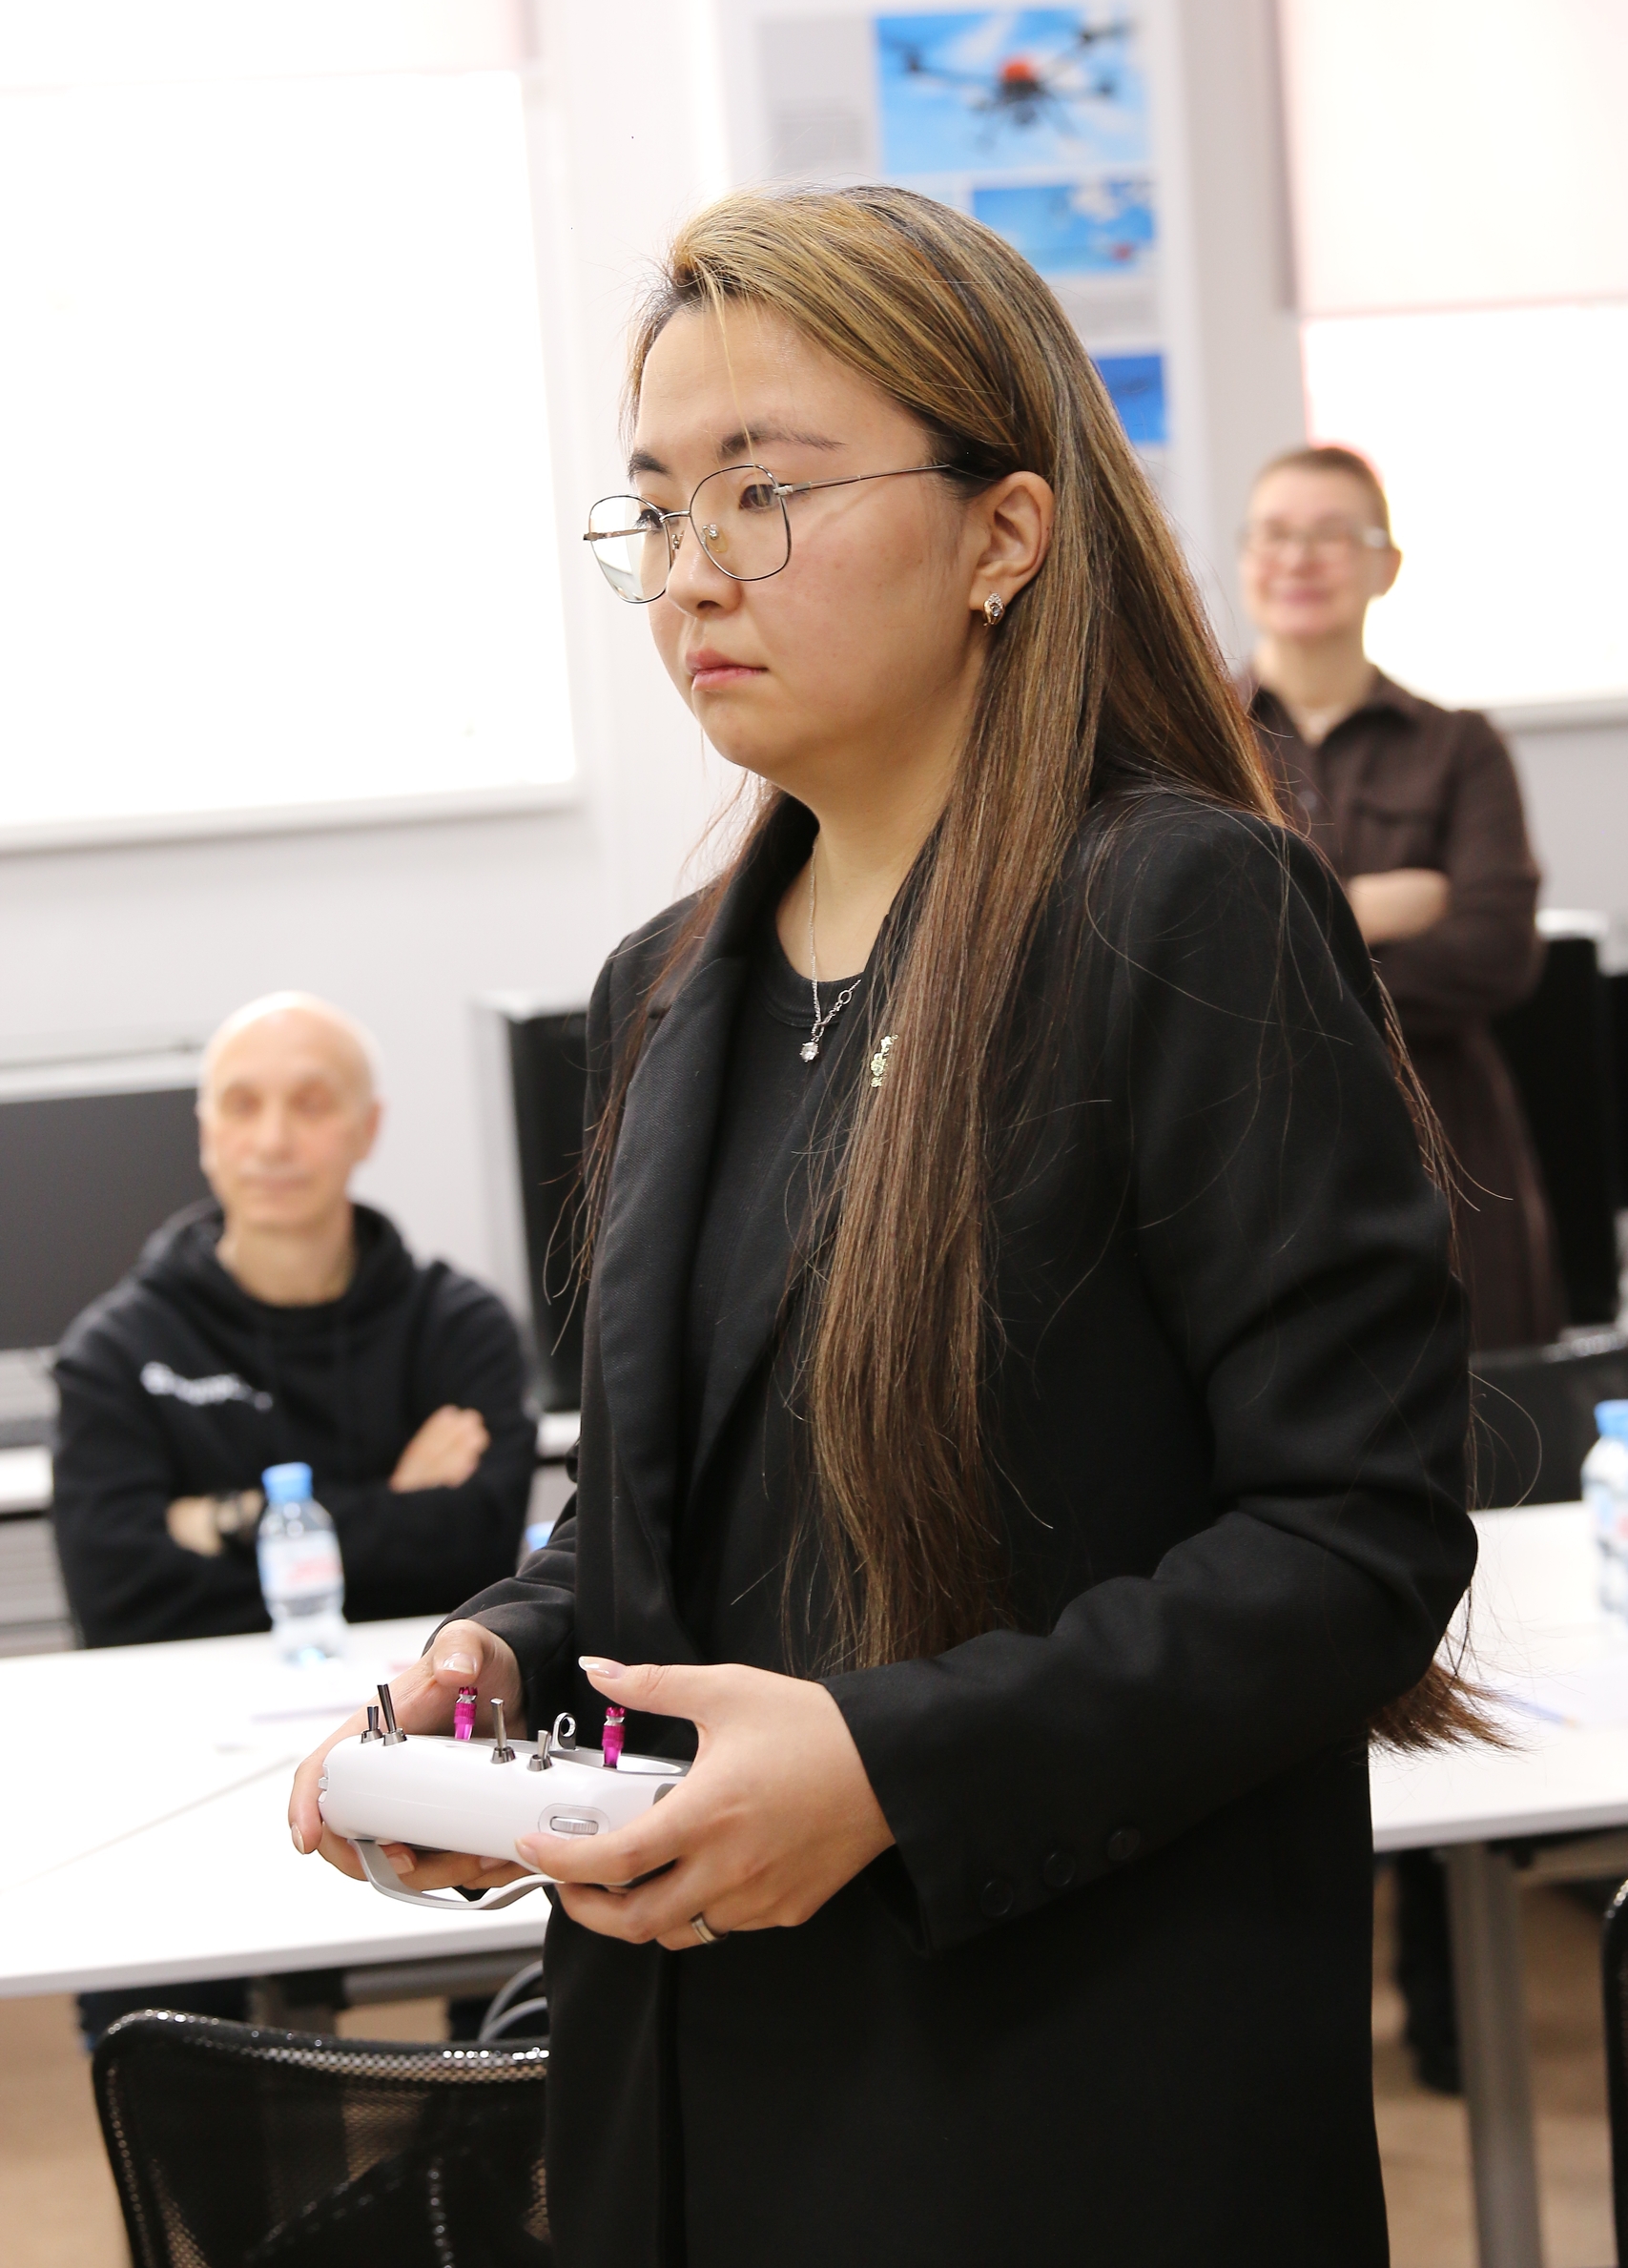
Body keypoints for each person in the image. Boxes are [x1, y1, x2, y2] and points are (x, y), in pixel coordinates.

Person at [291, 189, 1478, 2267]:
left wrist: (886, 1765)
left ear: (1002, 534)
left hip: (1064, 2094)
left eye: (762, 493)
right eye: (658, 507)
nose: (691, 570)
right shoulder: (661, 987)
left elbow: (1350, 1542)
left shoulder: (1181, 912)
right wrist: (504, 1654)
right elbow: (666, 1512)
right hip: (690, 2090)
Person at [53, 992, 537, 1646]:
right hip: (198, 1696)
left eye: (310, 1105)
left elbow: (473, 1562)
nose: (273, 1142)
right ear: (206, 1131)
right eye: (242, 1105)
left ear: (368, 1127)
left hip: (422, 1688)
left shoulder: (461, 1329)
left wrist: (228, 1518)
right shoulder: (116, 1352)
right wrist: (393, 1511)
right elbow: (119, 1602)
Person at [1239, 445, 1563, 1354]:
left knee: (1485, 1413)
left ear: (1386, 567)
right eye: (1274, 534)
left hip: (1448, 1148)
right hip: (1252, 1138)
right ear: (1244, 558)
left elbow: (1495, 953)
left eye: (1330, 535)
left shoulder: (1460, 748)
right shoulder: (1190, 743)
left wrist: (1282, 954)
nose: (1297, 558)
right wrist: (1364, 910)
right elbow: (1178, 945)